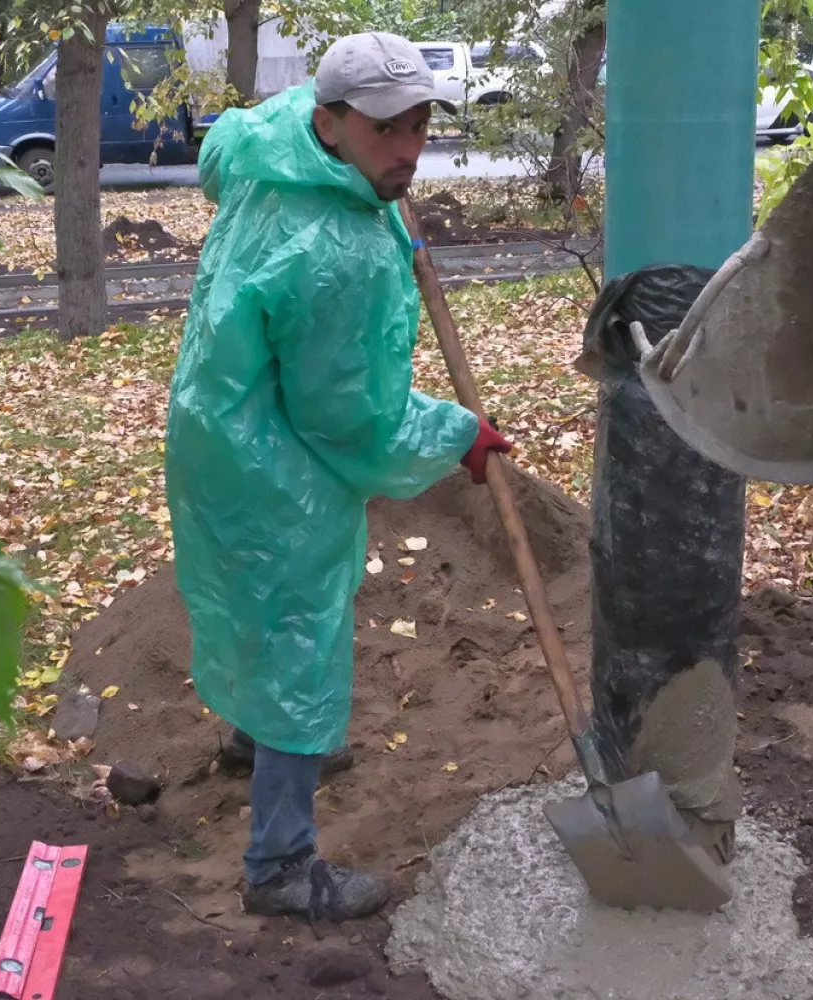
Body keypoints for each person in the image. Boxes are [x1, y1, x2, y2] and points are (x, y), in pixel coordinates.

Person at [163, 31, 513, 921]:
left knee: (257, 604)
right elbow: (355, 419)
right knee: (296, 631)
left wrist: (382, 202)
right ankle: (278, 866)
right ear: (332, 118)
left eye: (421, 126)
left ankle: (256, 739)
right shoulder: (337, 260)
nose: (407, 150)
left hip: (216, 414)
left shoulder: (268, 139)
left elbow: (226, 143)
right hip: (277, 457)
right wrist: (461, 434)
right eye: (387, 131)